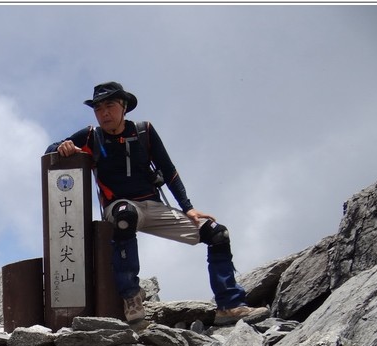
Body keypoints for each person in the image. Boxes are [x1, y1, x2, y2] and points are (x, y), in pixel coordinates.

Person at [46, 81, 268, 326]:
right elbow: (51, 148)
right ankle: (132, 300)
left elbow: (168, 170)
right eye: (98, 108)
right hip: (119, 207)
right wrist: (62, 146)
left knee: (217, 234)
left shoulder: (144, 131)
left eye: (110, 105)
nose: (104, 113)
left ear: (124, 107)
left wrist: (188, 208)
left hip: (153, 207)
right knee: (124, 216)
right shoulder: (91, 136)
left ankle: (230, 305)